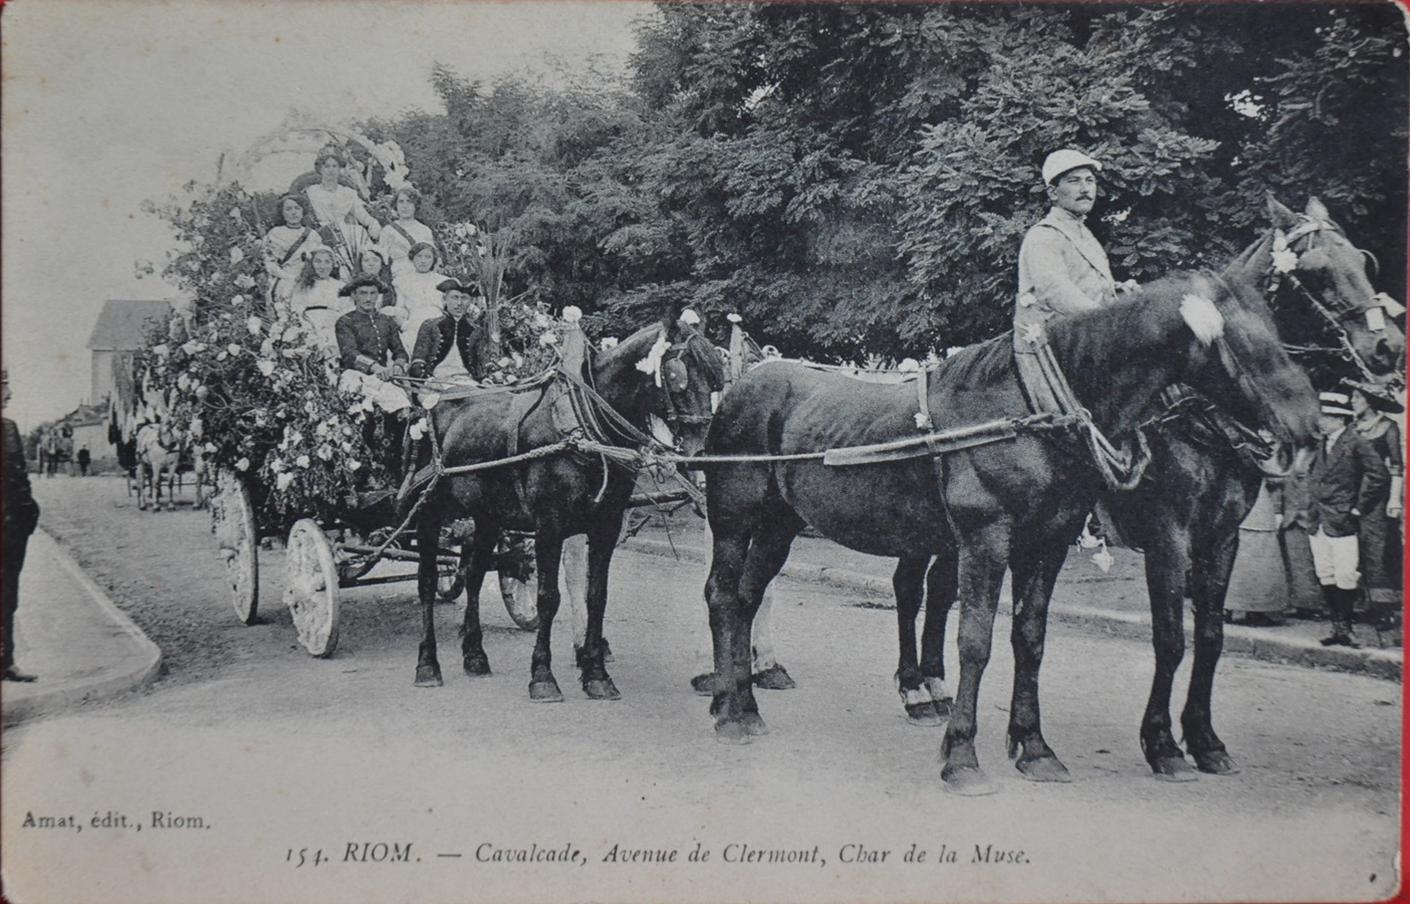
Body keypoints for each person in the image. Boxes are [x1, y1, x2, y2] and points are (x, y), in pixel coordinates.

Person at [1014, 148, 1136, 410]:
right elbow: (1056, 291)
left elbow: (1087, 283)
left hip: (1090, 340)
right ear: (1052, 193)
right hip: (1060, 349)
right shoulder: (1044, 235)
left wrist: (1119, 292)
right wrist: (1111, 320)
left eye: (1089, 180)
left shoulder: (1084, 234)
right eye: (1074, 181)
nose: (1085, 188)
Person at [1306, 391, 1389, 647]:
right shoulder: (1322, 443)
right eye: (1322, 415)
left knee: (1346, 574)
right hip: (1318, 518)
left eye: (1327, 416)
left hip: (1342, 520)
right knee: (1326, 574)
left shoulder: (1355, 441)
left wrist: (1357, 508)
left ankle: (1348, 628)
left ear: (1340, 419)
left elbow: (1379, 474)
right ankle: (1337, 627)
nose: (1321, 421)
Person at [1350, 383, 1404, 624]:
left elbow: (1396, 465)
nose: (1353, 402)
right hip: (1352, 492)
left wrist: (1394, 498)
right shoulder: (1352, 428)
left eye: (1357, 398)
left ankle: (1385, 608)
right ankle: (1363, 601)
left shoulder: (1387, 427)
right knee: (1355, 545)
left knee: (1378, 547)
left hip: (1378, 494)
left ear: (1369, 401)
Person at [3, 368, 41, 681]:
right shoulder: (8, 429)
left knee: (7, 593)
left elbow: (18, 476)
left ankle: (5, 660)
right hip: (8, 522)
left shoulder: (9, 428)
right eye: (4, 386)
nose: (9, 394)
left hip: (11, 523)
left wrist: (27, 513)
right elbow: (16, 477)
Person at [335, 275, 411, 415]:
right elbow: (350, 353)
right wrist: (375, 367)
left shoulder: (386, 321)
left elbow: (400, 352)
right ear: (354, 295)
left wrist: (397, 366)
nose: (368, 298)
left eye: (373, 293)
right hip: (354, 376)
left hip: (381, 378)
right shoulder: (345, 321)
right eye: (363, 293)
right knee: (363, 412)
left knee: (402, 406)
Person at [303, 151, 381, 271]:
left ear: (340, 169)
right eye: (327, 166)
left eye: (335, 166)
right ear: (320, 169)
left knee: (360, 236)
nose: (331, 170)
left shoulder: (348, 192)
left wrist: (373, 223)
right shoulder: (311, 192)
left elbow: (362, 216)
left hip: (346, 231)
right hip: (321, 232)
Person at [408, 279, 486, 388]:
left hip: (467, 382)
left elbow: (481, 364)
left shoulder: (476, 330)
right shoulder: (430, 326)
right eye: (455, 297)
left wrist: (486, 379)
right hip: (436, 382)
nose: (459, 303)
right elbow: (417, 361)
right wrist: (427, 380)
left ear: (471, 302)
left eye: (464, 298)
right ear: (444, 300)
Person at [263, 194, 323, 303]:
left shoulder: (313, 235)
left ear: (302, 211)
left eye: (297, 208)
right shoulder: (275, 233)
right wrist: (289, 277)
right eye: (288, 209)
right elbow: (270, 263)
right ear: (282, 212)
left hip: (308, 279)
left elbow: (319, 261)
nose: (293, 212)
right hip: (285, 279)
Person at [287, 247, 347, 353]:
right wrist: (308, 330)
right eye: (318, 261)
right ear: (311, 264)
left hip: (334, 329)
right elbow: (296, 311)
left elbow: (347, 312)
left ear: (333, 264)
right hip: (308, 328)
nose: (322, 266)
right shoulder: (302, 286)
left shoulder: (341, 286)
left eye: (327, 262)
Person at [392, 243, 449, 351]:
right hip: (414, 324)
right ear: (412, 258)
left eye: (428, 257)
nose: (423, 261)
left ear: (433, 260)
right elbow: (400, 308)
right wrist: (405, 325)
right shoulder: (402, 281)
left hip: (438, 323)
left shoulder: (443, 281)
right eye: (419, 256)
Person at [378, 187, 437, 280]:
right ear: (395, 205)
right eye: (401, 202)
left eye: (409, 202)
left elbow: (432, 259)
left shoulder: (424, 230)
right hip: (398, 278)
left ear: (416, 205)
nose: (404, 206)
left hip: (422, 278)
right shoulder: (387, 231)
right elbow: (382, 261)